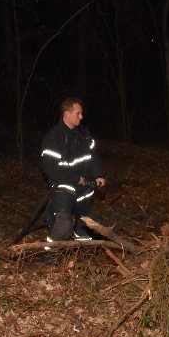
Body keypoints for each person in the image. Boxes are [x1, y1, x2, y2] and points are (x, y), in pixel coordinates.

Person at [41, 97, 105, 244]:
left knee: (86, 229)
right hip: (64, 187)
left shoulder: (84, 134)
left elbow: (92, 156)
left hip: (84, 190)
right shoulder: (53, 139)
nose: (81, 117)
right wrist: (75, 178)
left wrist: (97, 175)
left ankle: (81, 259)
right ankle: (49, 256)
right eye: (78, 113)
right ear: (66, 114)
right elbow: (51, 169)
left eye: (81, 113)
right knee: (64, 226)